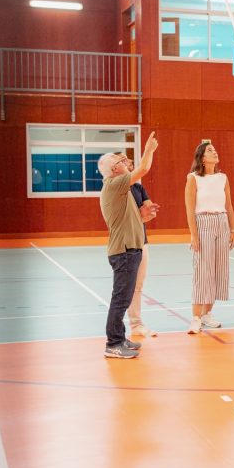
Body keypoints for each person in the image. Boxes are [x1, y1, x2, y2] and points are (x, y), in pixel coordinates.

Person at [96, 131, 158, 358]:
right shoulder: (114, 184)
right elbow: (143, 169)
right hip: (123, 251)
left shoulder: (124, 192)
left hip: (131, 249)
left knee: (124, 296)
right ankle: (113, 343)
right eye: (122, 161)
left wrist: (145, 215)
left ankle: (120, 338)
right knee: (120, 299)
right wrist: (149, 150)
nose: (126, 163)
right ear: (115, 169)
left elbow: (135, 220)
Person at [184, 141, 234, 334]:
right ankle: (196, 318)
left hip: (222, 222)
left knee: (217, 270)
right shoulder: (193, 178)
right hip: (202, 223)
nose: (214, 152)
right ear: (202, 157)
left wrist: (233, 229)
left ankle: (207, 314)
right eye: (209, 150)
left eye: (214, 149)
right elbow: (190, 209)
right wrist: (194, 235)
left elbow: (229, 205)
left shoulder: (223, 178)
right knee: (202, 271)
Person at [125, 160, 160, 338]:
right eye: (123, 159)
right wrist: (141, 215)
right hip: (125, 244)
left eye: (129, 159)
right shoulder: (116, 187)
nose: (129, 161)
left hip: (142, 240)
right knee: (125, 286)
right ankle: (120, 328)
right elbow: (128, 217)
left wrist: (148, 212)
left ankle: (136, 324)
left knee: (138, 285)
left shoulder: (138, 188)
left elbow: (148, 210)